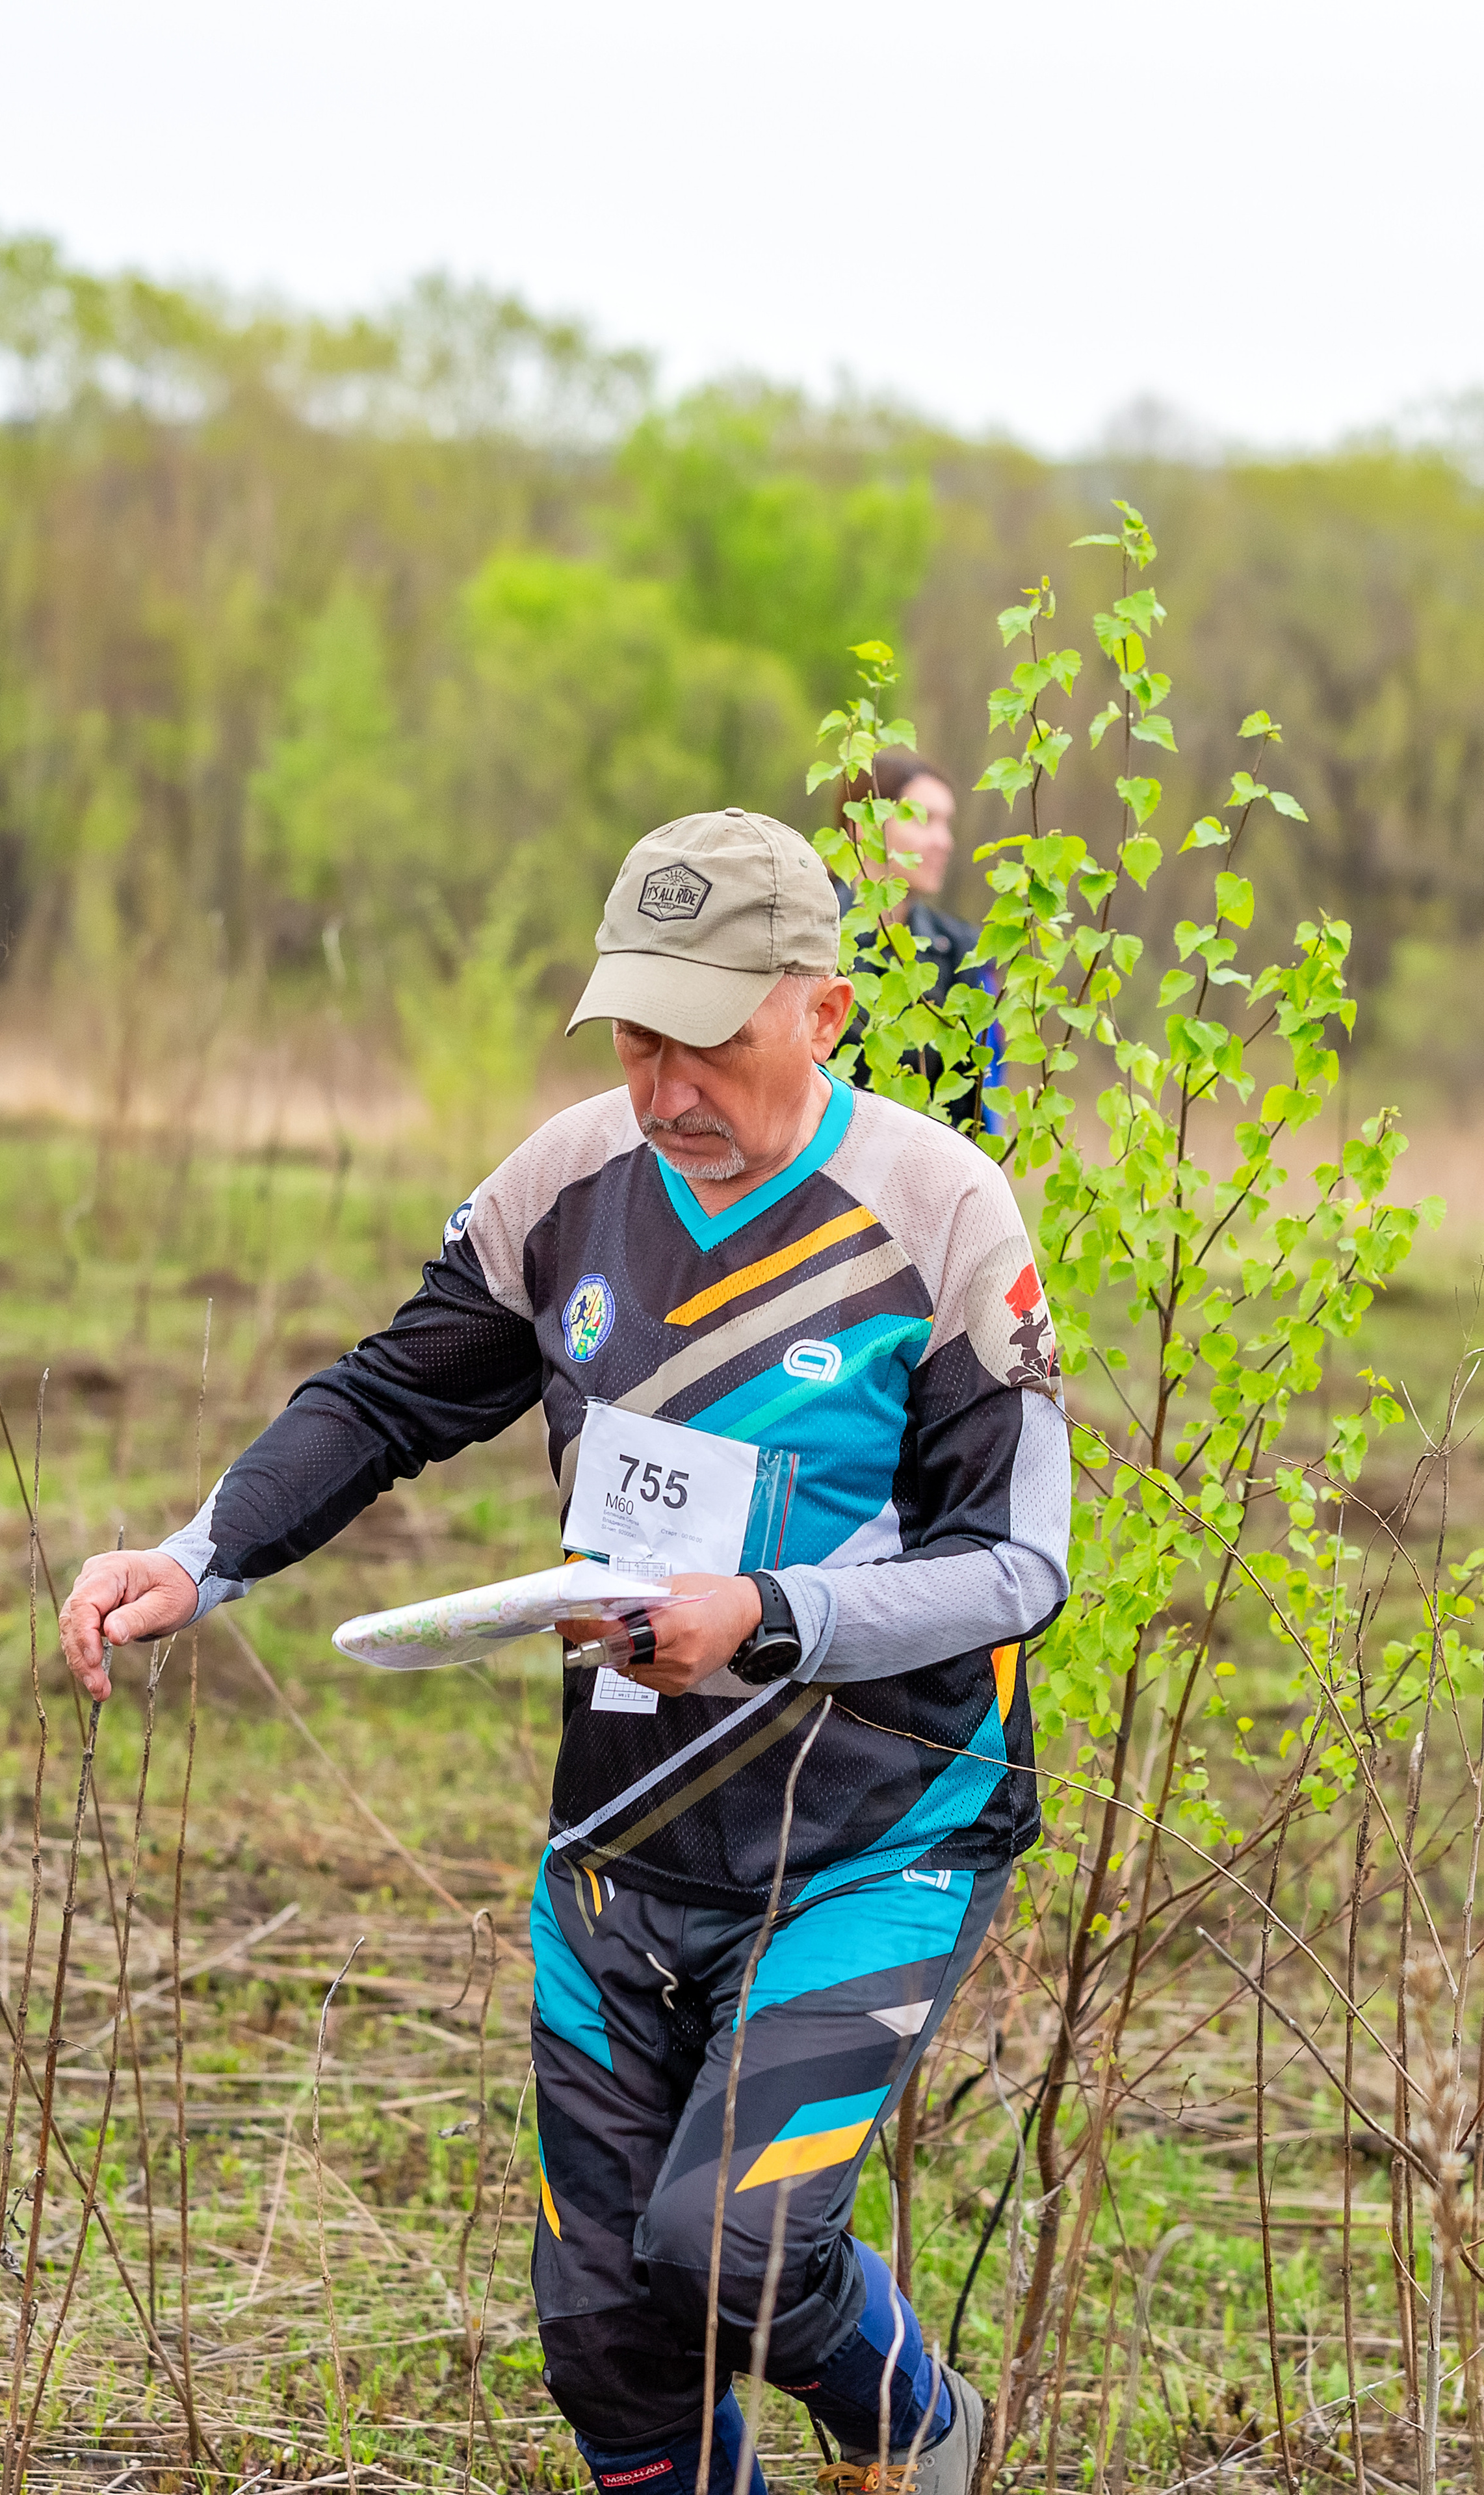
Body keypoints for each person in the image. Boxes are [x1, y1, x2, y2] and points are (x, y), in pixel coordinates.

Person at [59, 807, 1071, 2495]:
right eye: (637, 1031)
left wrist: (772, 1615)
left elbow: (1019, 1564)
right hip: (620, 1841)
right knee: (607, 2341)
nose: (666, 1081)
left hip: (879, 1836)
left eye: (713, 1035)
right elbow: (387, 1392)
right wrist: (194, 1557)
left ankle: (914, 2423)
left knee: (732, 2247)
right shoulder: (565, 1183)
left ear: (823, 1010)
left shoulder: (942, 1210)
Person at [837, 751, 999, 1132]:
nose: (945, 842)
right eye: (924, 819)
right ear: (864, 824)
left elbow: (978, 1112)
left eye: (947, 823)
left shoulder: (962, 953)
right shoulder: (806, 933)